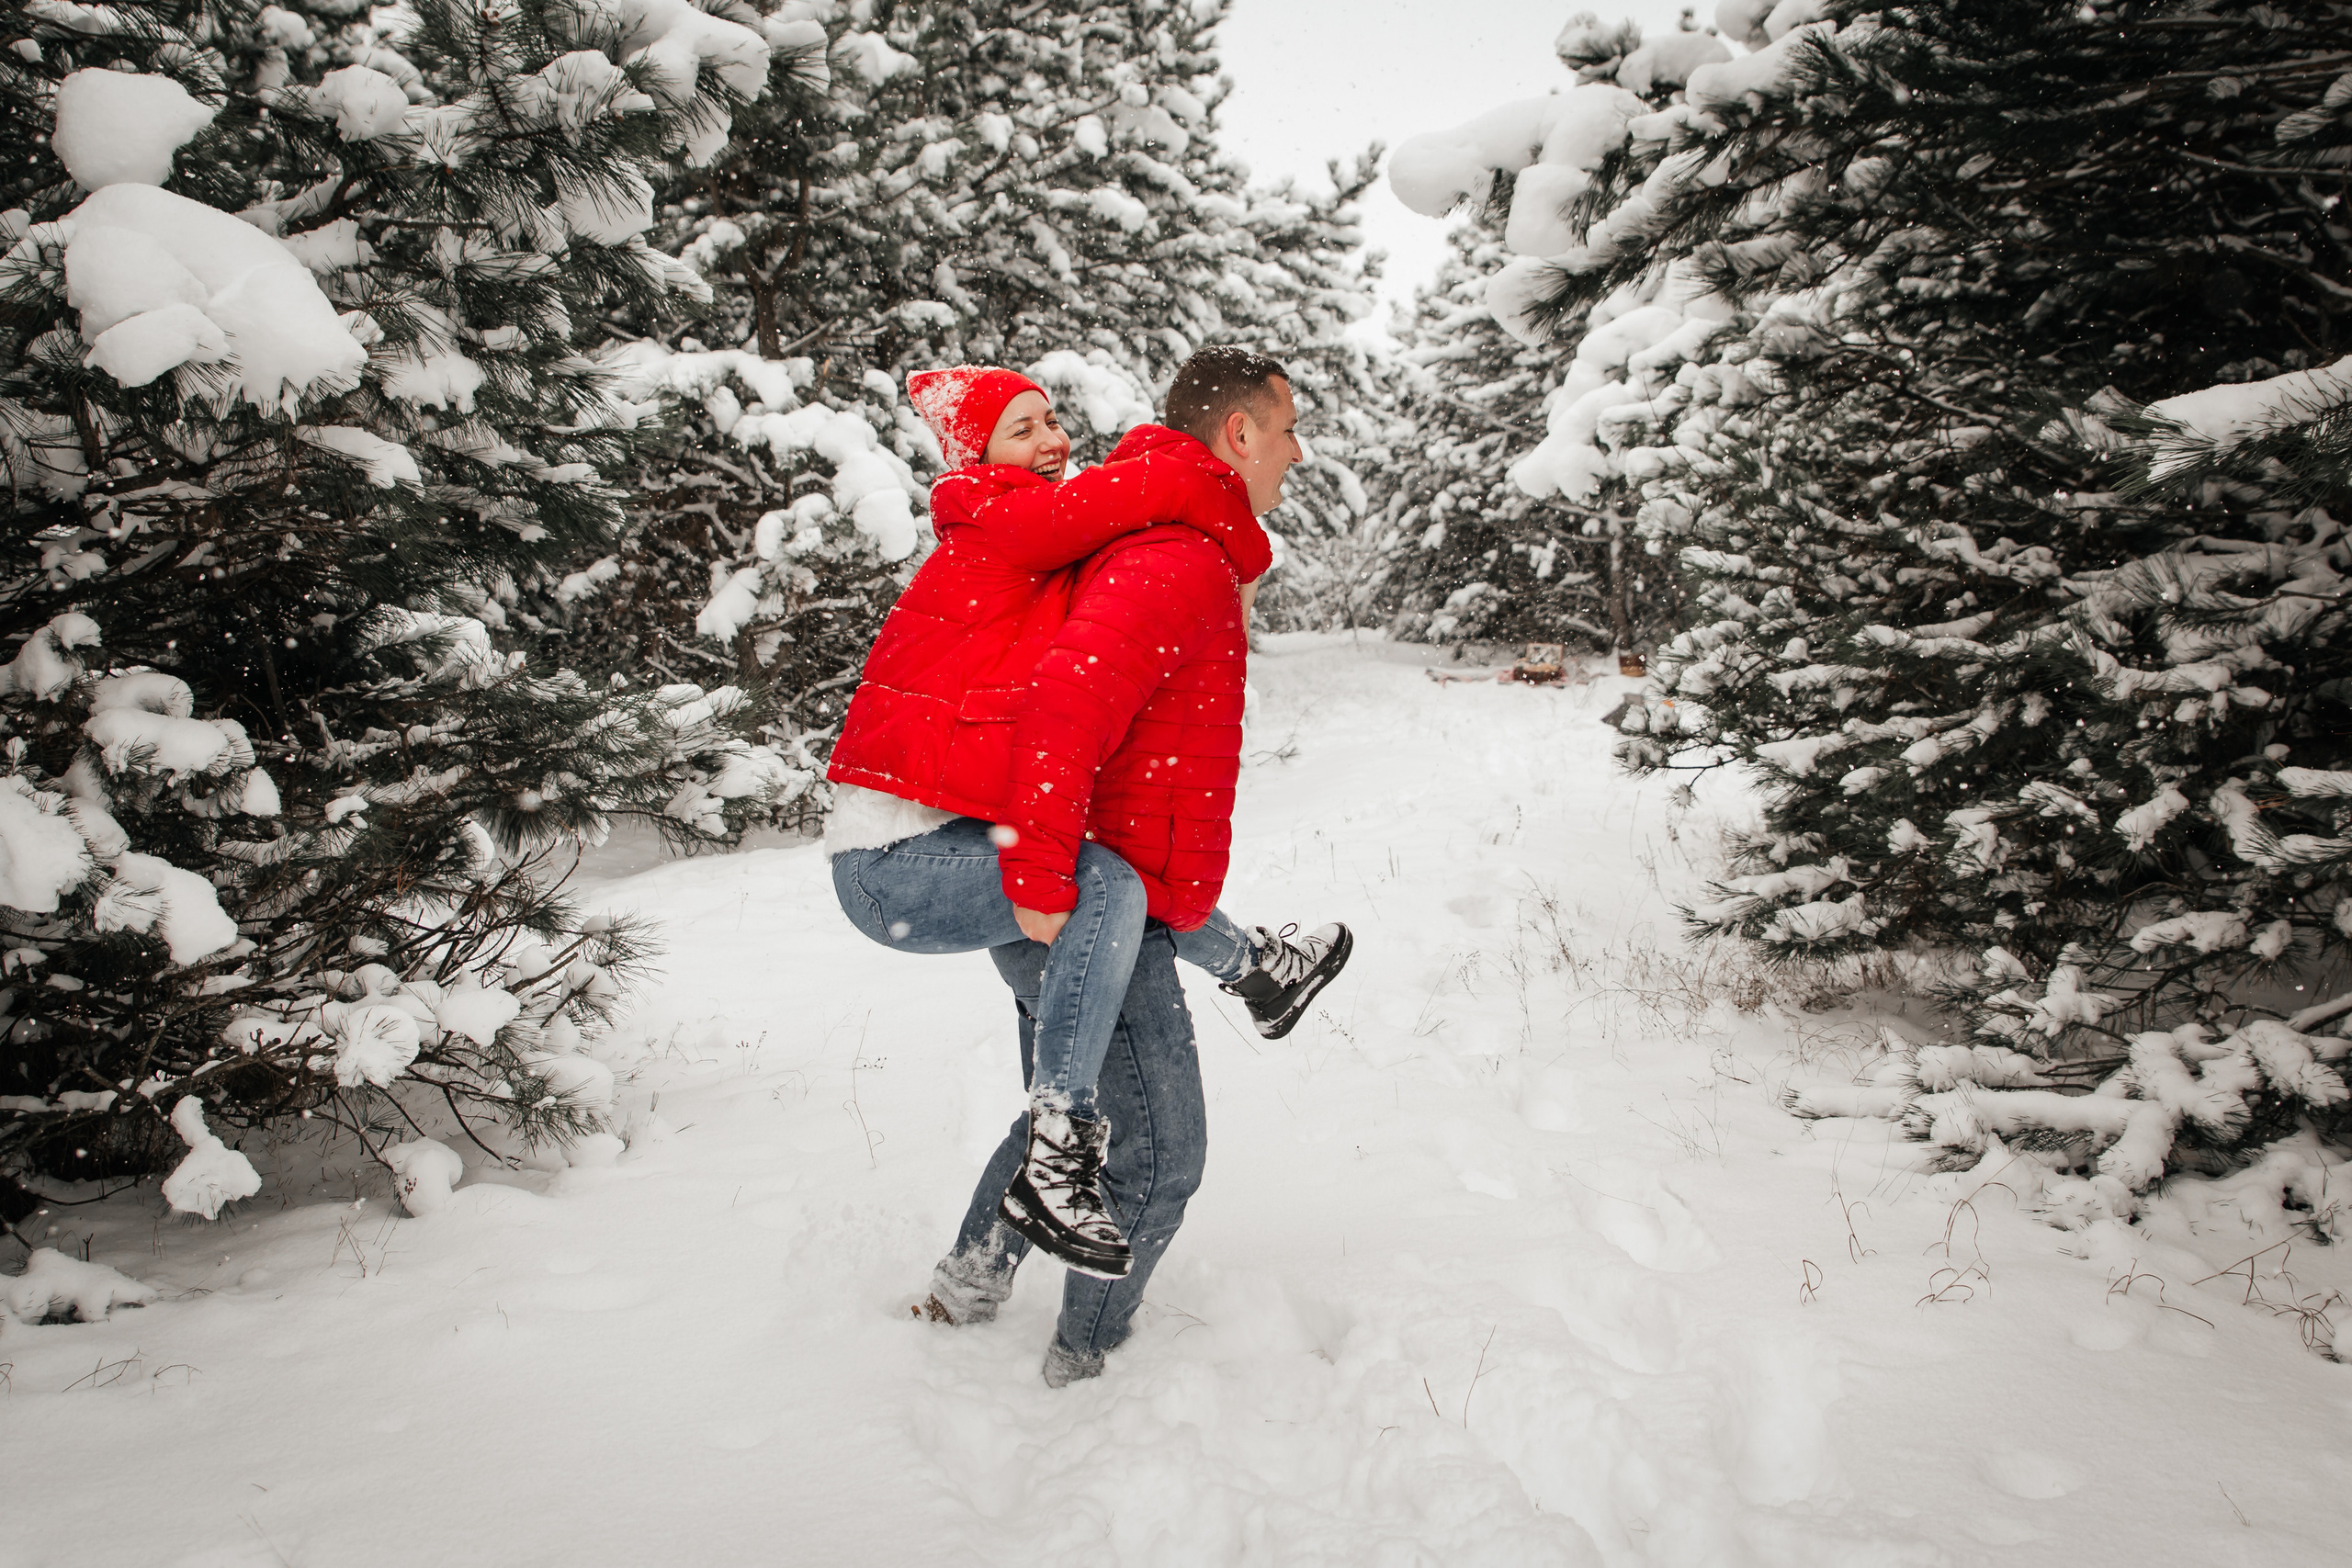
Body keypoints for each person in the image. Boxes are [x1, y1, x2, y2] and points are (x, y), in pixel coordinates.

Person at [826, 350, 1350, 1381]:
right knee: (1115, 959)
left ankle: (971, 1283)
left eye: (1050, 422)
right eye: (1022, 429)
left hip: (988, 837)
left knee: (1107, 914)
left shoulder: (1070, 546)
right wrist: (1188, 480)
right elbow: (1068, 707)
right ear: (1238, 438)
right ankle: (1077, 1317)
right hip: (937, 851)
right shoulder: (1015, 519)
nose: (1052, 441)